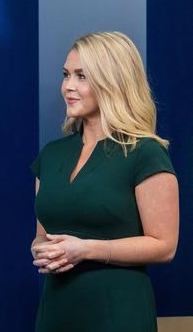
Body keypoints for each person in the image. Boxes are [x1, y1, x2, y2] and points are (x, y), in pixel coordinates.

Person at [30, 32, 179, 332]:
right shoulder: (51, 155)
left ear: (113, 82)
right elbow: (42, 236)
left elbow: (164, 246)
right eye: (66, 74)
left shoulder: (144, 153)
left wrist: (86, 249)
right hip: (56, 312)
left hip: (118, 313)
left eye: (82, 76)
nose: (68, 86)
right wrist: (41, 249)